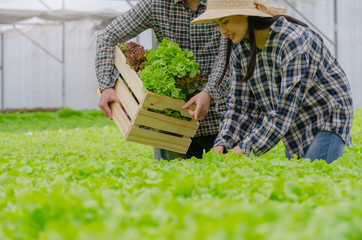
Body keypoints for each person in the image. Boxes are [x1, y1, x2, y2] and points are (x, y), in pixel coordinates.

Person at [191, 0, 354, 164]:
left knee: (316, 176)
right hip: (296, 120)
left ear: (247, 14)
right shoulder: (240, 48)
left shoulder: (293, 41)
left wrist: (241, 150)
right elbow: (240, 104)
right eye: (217, 24)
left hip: (328, 115)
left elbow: (284, 111)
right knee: (300, 178)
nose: (222, 30)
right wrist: (223, 143)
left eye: (225, 21)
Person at [95, 0, 230, 160]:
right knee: (172, 181)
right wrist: (106, 86)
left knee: (227, 181)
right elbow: (108, 36)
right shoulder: (156, 4)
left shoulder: (224, 3)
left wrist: (209, 92)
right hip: (172, 121)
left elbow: (227, 55)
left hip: (222, 116)